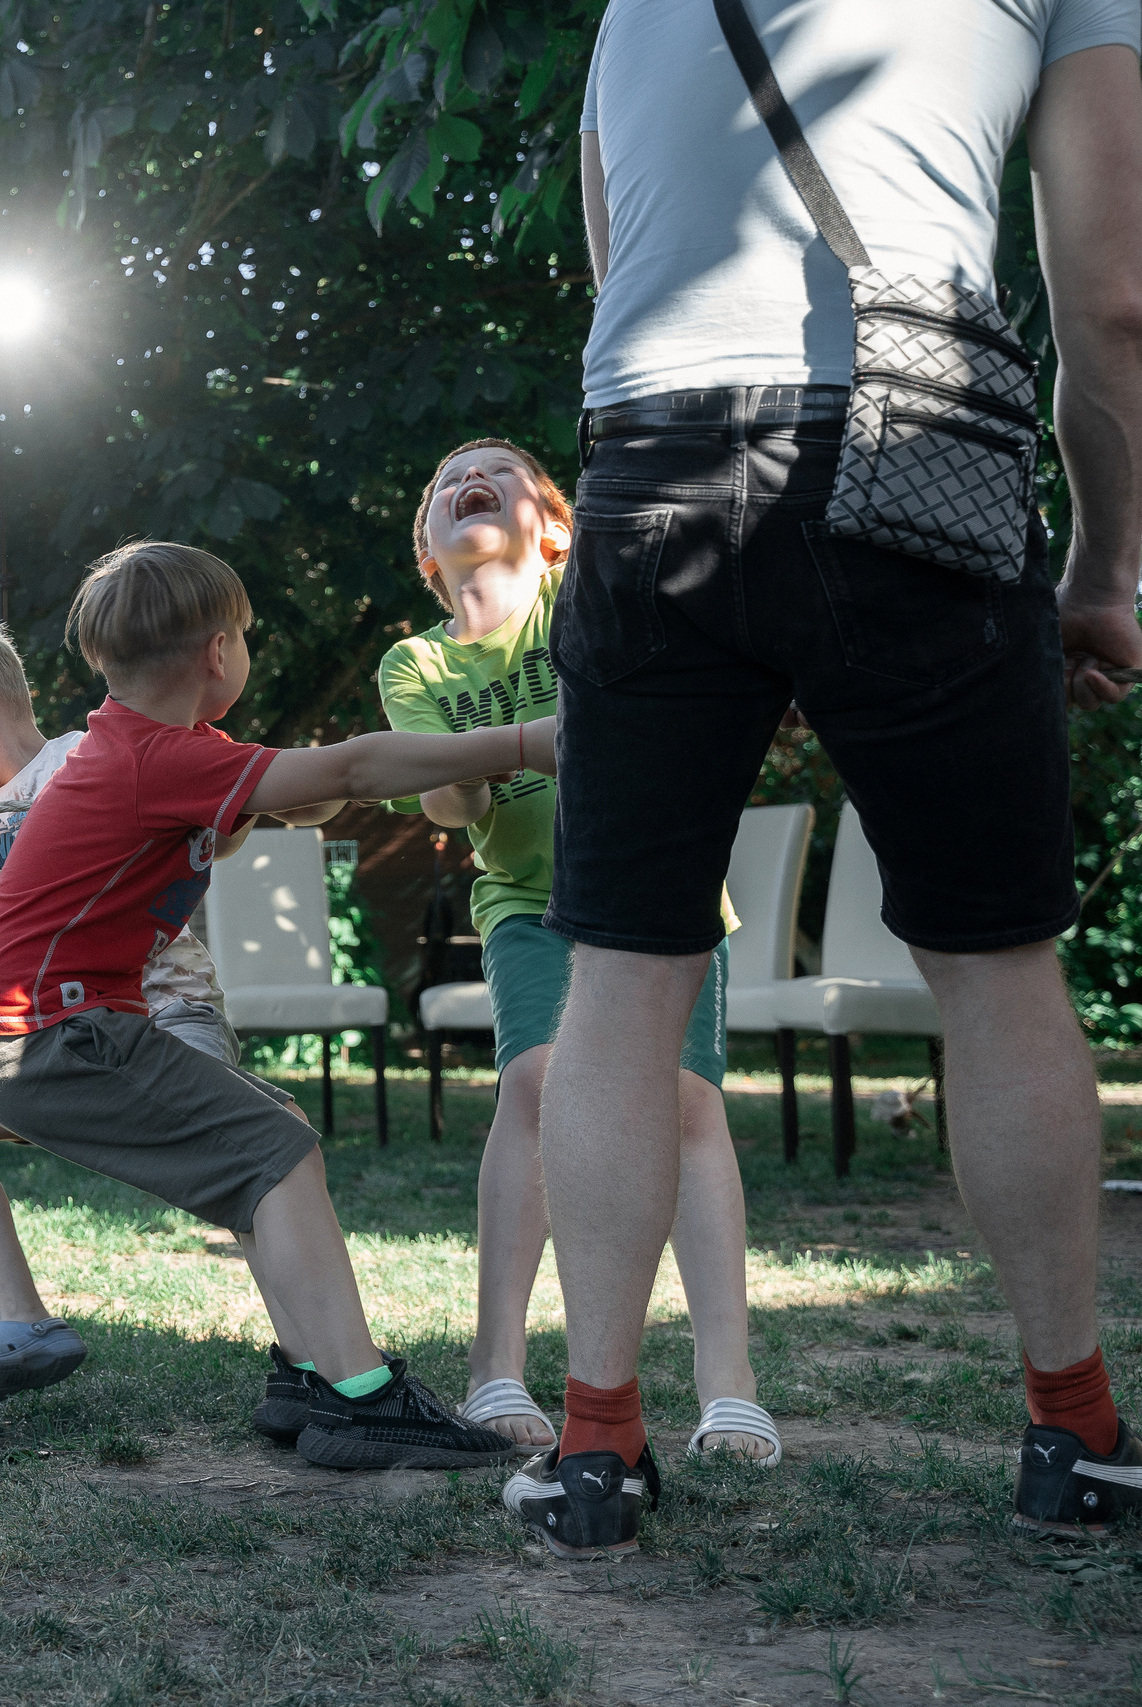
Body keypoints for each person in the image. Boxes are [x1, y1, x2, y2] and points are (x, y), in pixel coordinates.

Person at [519, 0, 1142, 1558]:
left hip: (651, 460)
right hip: (923, 449)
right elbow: (1120, 308)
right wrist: (1100, 573)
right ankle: (1073, 1429)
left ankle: (595, 1448)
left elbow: (620, 260)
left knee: (622, 966)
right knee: (997, 966)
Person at [0, 540, 556, 1469]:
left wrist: (287, 787)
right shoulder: (155, 758)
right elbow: (353, 770)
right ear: (219, 653)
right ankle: (360, 1396)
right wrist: (527, 741)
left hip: (41, 1033)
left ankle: (305, 1374)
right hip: (55, 1036)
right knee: (280, 1152)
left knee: (269, 1129)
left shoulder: (150, 748)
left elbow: (295, 791)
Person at [380, 438, 777, 1464]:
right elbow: (443, 796)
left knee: (684, 1106)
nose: (467, 477)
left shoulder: (584, 609)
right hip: (526, 903)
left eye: (501, 472)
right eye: (444, 480)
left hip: (660, 886)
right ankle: (495, 1368)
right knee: (533, 1089)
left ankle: (727, 1386)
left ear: (557, 533)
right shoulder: (416, 663)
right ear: (429, 557)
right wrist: (492, 756)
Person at [0, 609, 335, 1406]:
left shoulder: (85, 760)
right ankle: (24, 1320)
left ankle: (311, 1361)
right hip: (63, 1044)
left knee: (249, 1167)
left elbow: (212, 812)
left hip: (167, 1013)